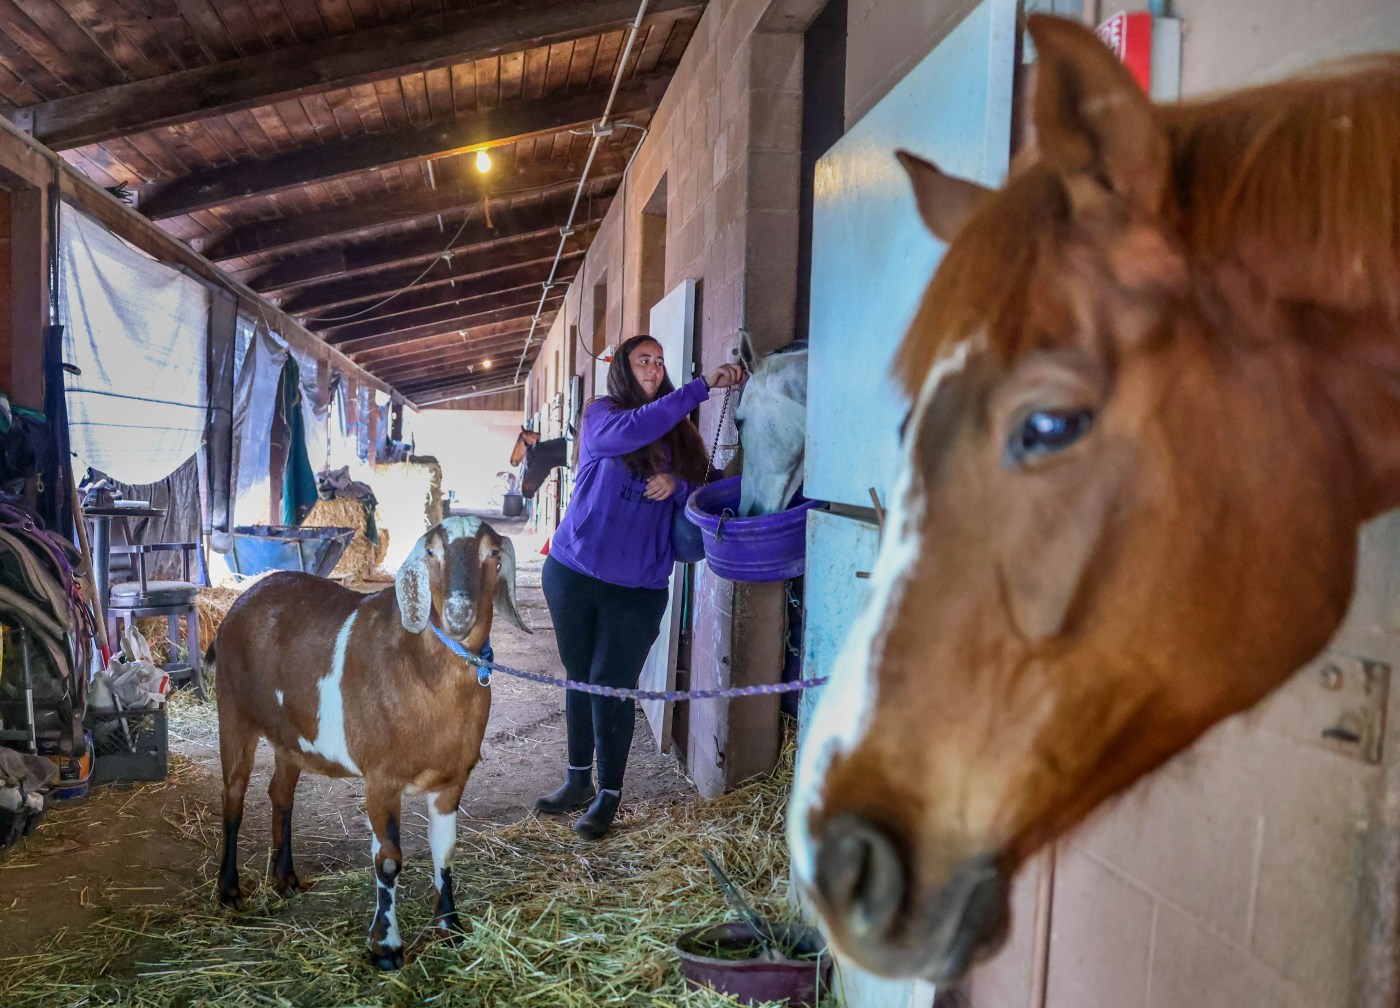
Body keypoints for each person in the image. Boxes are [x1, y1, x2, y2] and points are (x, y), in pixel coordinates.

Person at [534, 334, 746, 839]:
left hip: (637, 585)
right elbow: (630, 432)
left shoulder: (682, 435)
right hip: (572, 572)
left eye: (658, 360)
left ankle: (609, 793)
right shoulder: (601, 415)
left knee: (611, 683)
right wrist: (699, 388)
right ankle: (577, 780)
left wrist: (679, 486)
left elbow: (709, 493)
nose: (653, 366)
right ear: (624, 370)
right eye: (642, 359)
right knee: (580, 677)